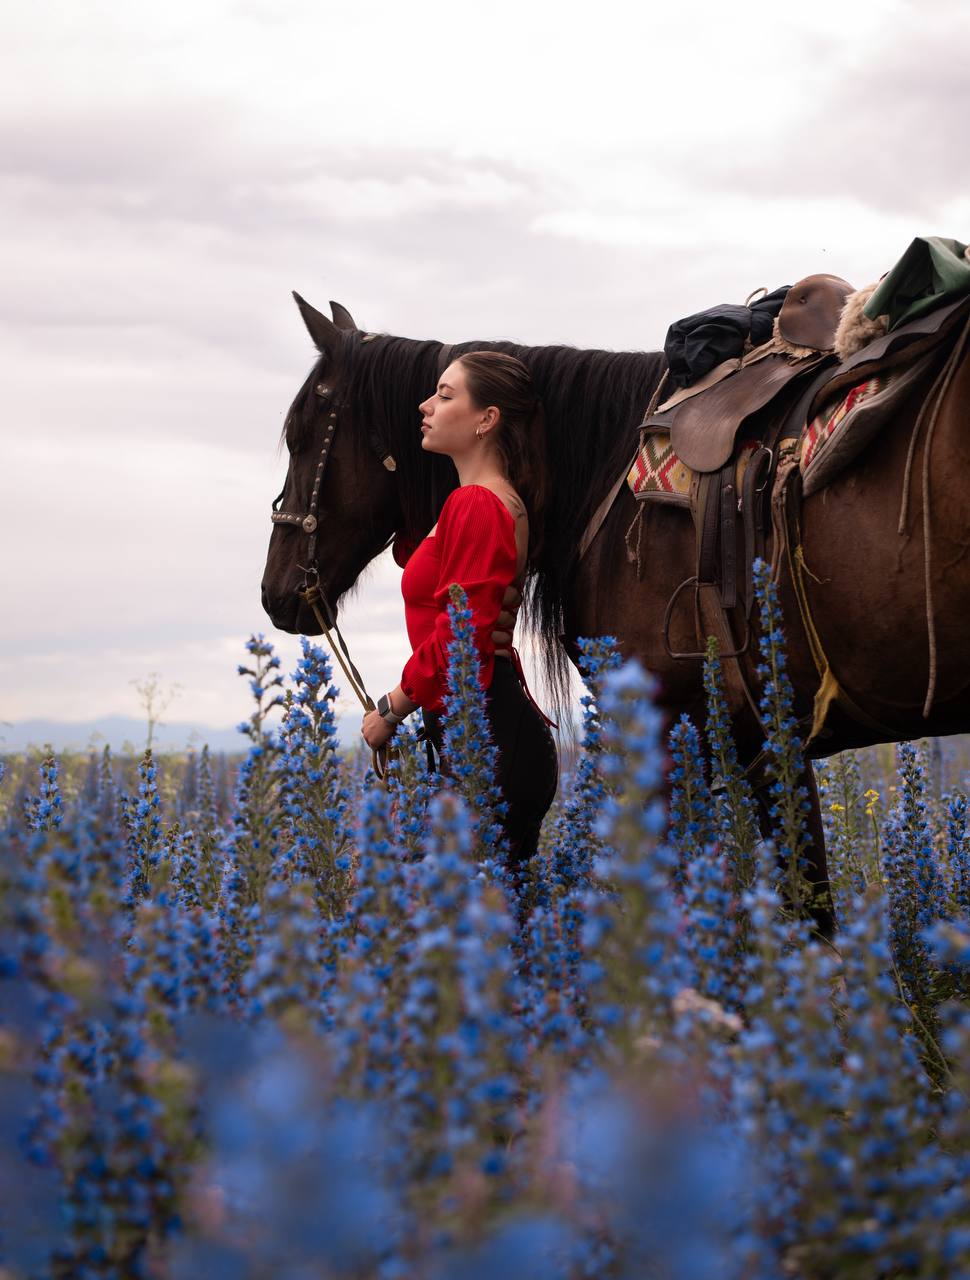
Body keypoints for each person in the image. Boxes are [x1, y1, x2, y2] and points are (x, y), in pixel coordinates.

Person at [360, 350, 559, 876]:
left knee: (467, 928)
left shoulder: (476, 503)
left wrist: (391, 707)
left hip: (486, 733)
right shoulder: (481, 500)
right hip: (484, 727)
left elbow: (461, 638)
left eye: (446, 396)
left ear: (486, 419)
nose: (426, 405)